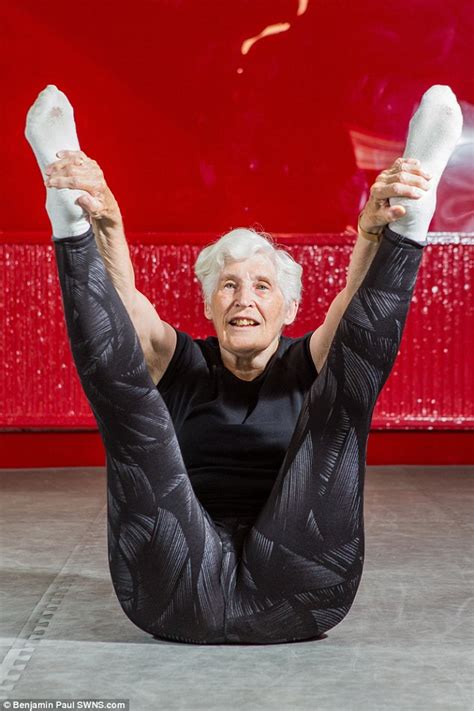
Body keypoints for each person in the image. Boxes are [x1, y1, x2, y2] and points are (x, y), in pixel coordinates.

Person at [25, 84, 462, 644]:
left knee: (343, 404)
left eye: (261, 286)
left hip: (300, 586)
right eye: (228, 285)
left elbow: (354, 312)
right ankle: (71, 220)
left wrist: (374, 231)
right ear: (209, 303)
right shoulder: (180, 362)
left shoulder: (309, 361)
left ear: (289, 308)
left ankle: (410, 219)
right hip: (173, 586)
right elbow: (122, 308)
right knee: (133, 410)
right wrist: (104, 223)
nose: (243, 298)